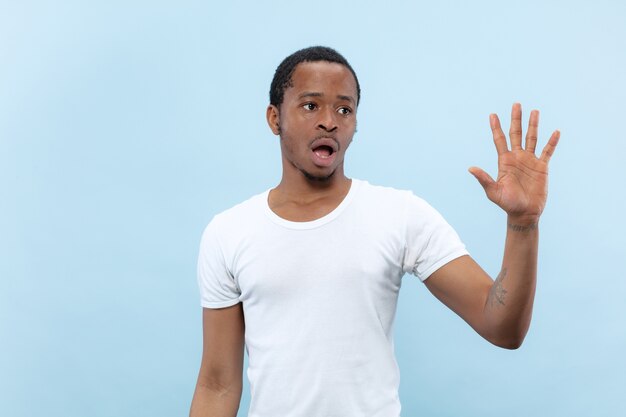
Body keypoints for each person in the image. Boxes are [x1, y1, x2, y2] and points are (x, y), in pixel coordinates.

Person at [189, 46, 560, 417]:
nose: (329, 121)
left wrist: (523, 225)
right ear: (274, 118)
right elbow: (217, 384)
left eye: (344, 109)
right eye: (310, 106)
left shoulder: (399, 215)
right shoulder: (229, 232)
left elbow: (502, 328)